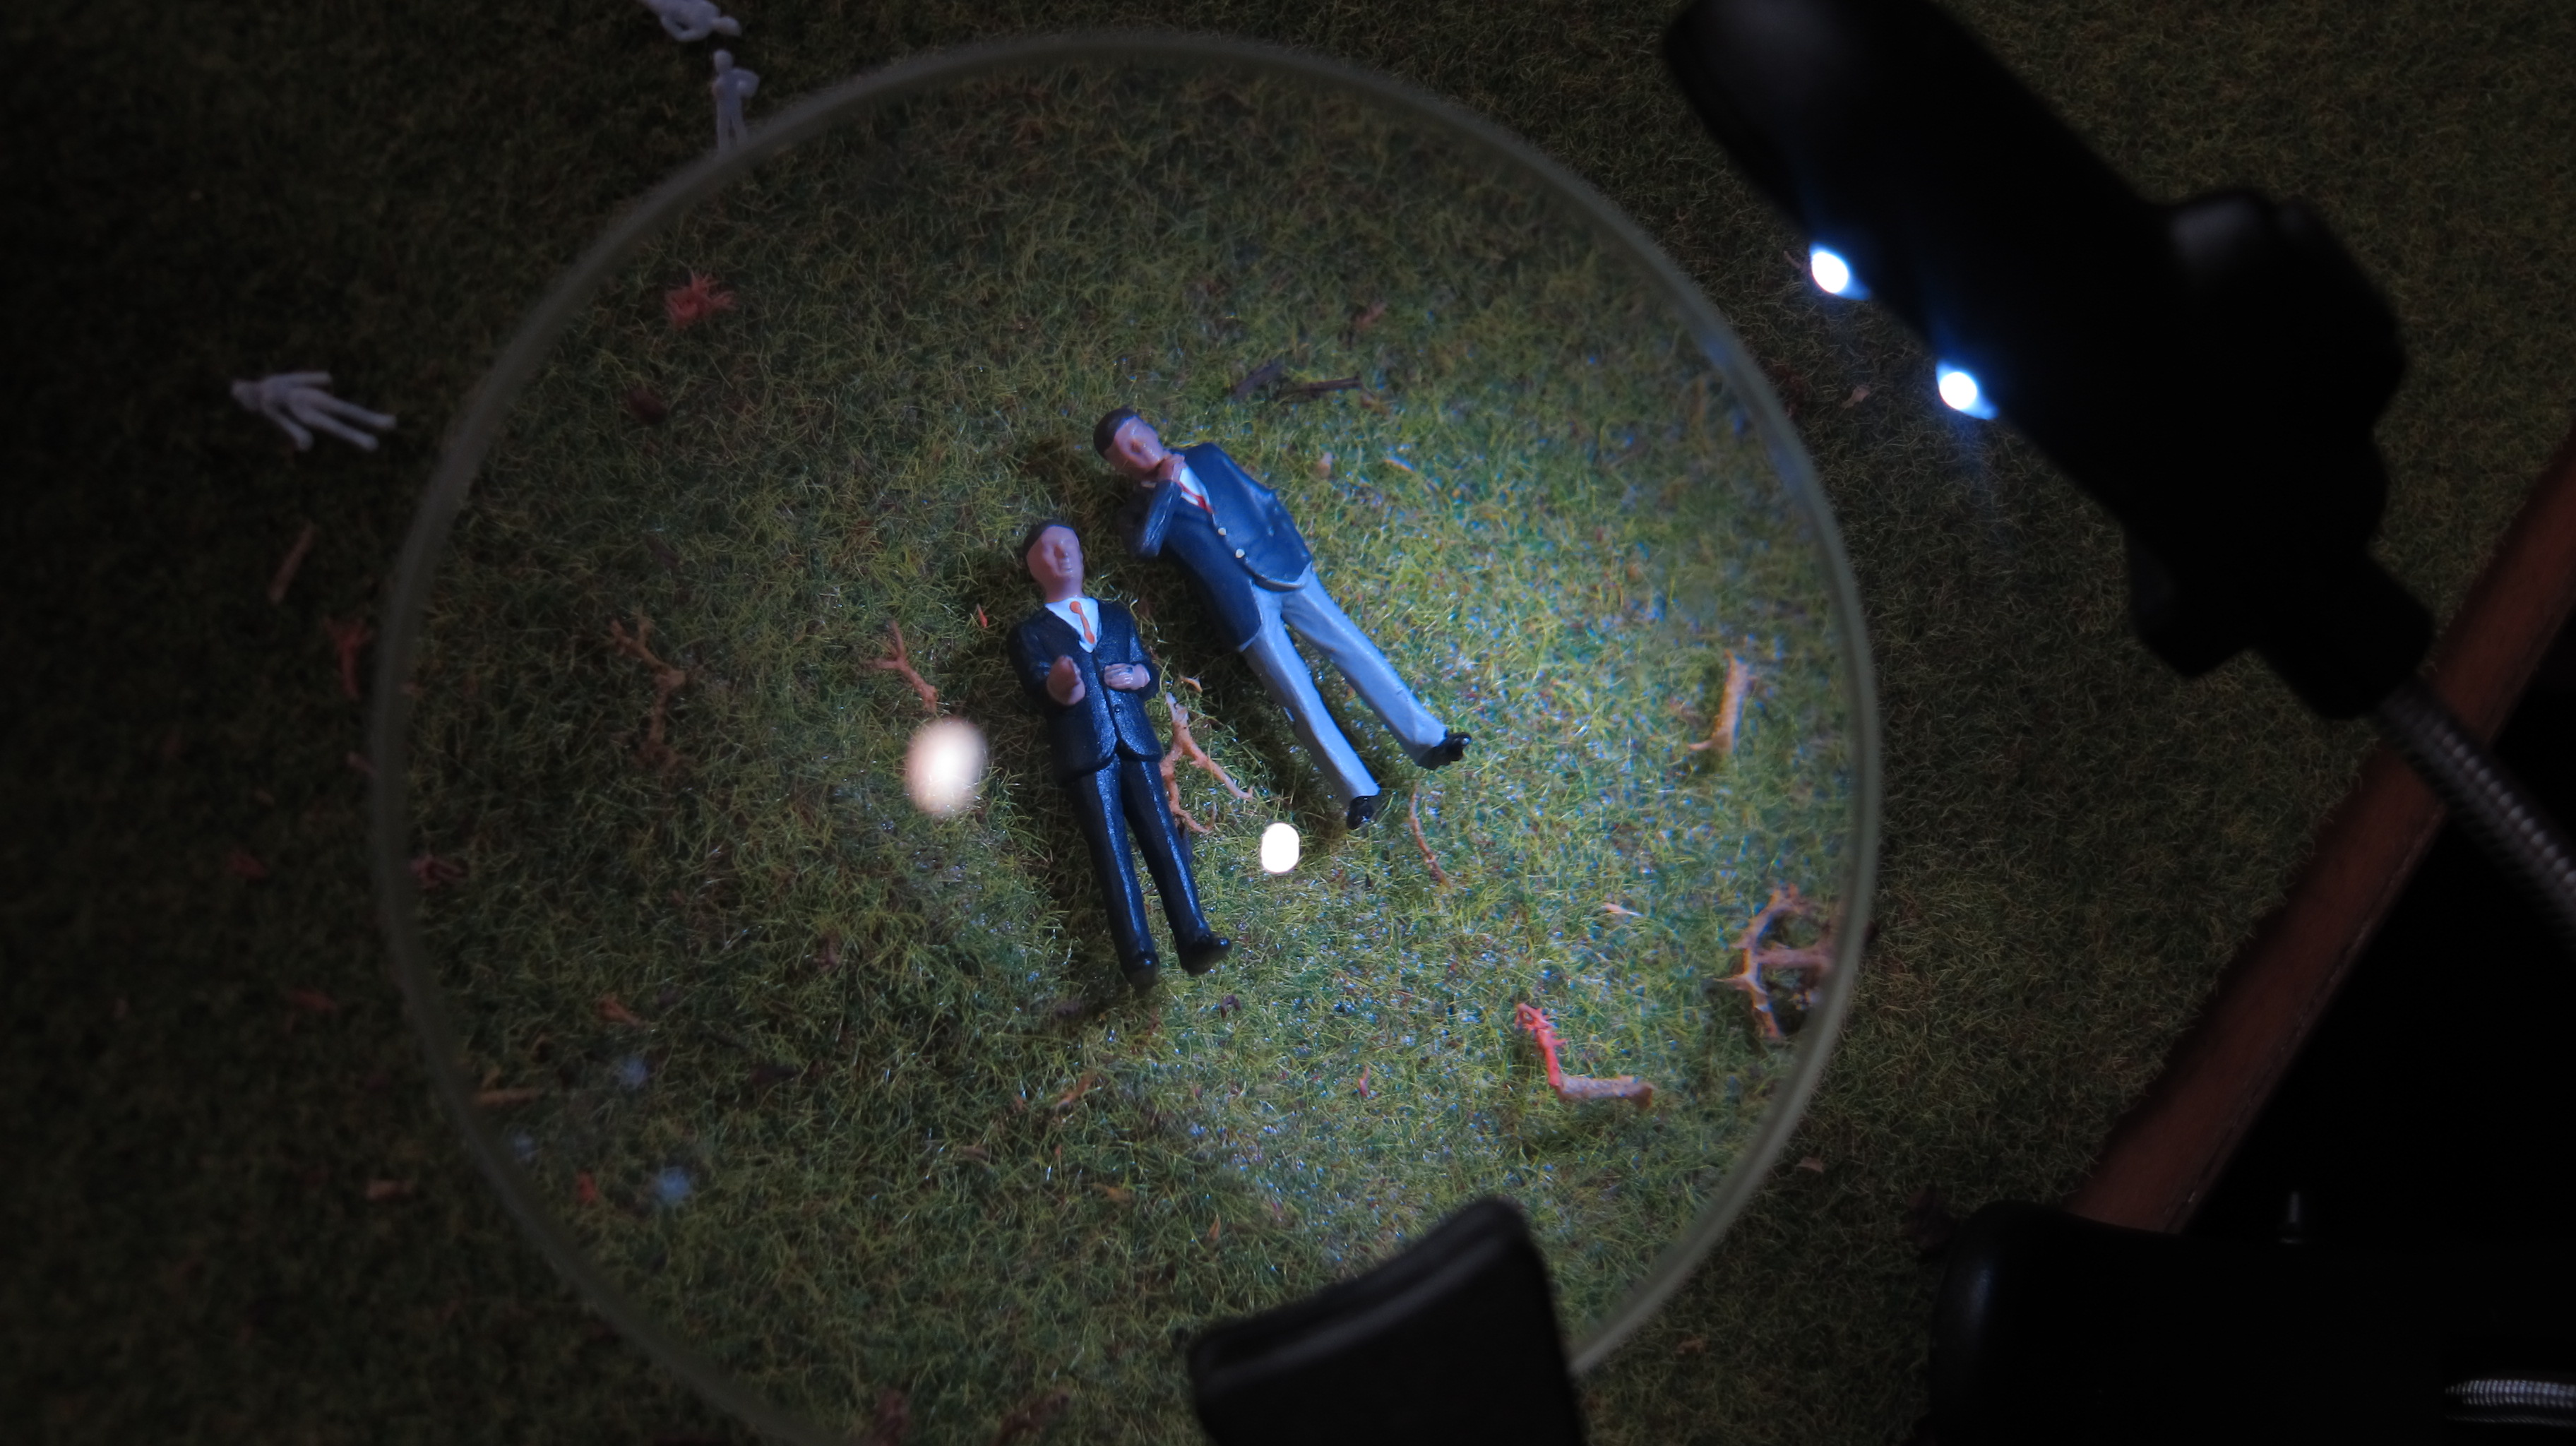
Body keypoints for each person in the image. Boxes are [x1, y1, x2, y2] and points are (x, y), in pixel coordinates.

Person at [1096, 408, 1468, 828]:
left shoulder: (1208, 457)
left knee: (1354, 650)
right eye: (1125, 451)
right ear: (1119, 466)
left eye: (1138, 435)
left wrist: (1295, 551)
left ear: (1150, 427)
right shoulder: (1137, 512)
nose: (1139, 448)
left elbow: (1263, 500)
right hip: (1241, 605)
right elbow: (1147, 545)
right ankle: (1356, 790)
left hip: (1285, 569)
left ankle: (1431, 739)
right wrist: (1166, 485)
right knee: (1296, 694)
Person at [1006, 521, 1232, 991]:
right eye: (1048, 550)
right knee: (1111, 852)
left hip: (1136, 743)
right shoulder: (1031, 632)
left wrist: (1139, 676)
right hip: (1087, 753)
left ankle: (1195, 937)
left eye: (1069, 544)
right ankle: (1137, 954)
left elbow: (1146, 669)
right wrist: (1061, 688)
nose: (1062, 554)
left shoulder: (1115, 616)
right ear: (1031, 566)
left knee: (1164, 841)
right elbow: (1039, 688)